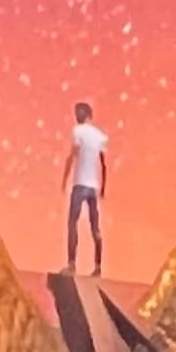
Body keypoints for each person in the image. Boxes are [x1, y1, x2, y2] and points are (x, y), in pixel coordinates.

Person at [64, 100, 109, 275]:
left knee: (73, 223)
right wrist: (103, 187)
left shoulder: (78, 131)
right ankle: (98, 267)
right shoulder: (100, 136)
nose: (77, 116)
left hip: (80, 184)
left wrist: (66, 176)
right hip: (93, 187)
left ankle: (72, 264)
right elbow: (103, 164)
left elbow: (73, 154)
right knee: (95, 227)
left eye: (78, 112)